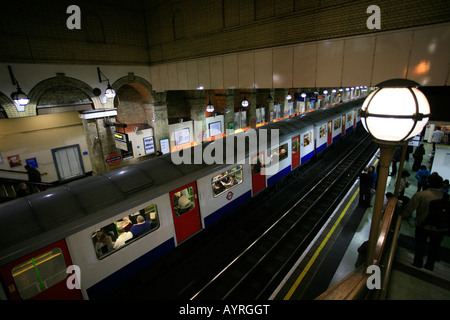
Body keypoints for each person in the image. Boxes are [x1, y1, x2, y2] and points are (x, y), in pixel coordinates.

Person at [401, 174, 445, 270]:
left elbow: (409, 210)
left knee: (420, 245)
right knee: (435, 248)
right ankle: (429, 266)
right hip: (440, 229)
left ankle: (417, 263)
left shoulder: (421, 195)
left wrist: (401, 217)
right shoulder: (447, 197)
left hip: (423, 226)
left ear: (428, 183)